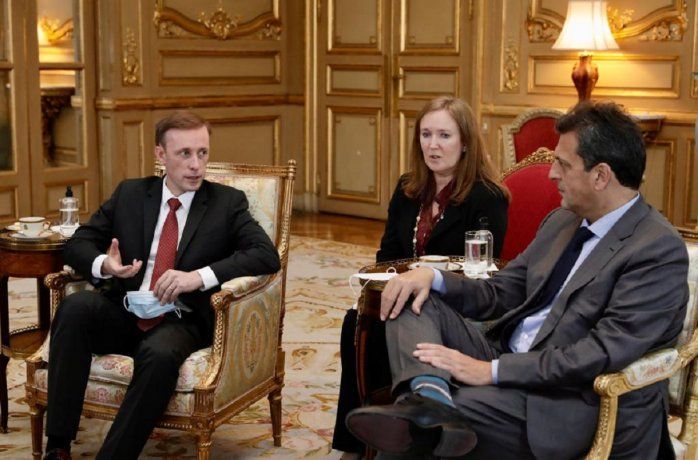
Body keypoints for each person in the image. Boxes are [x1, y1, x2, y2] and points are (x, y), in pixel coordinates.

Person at [345, 100, 689, 459]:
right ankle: (430, 396)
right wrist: (433, 277)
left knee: (419, 432)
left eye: (562, 164)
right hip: (506, 355)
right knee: (412, 295)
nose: (551, 174)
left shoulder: (655, 250)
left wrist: (491, 371)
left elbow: (599, 353)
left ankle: (429, 412)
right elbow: (500, 291)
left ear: (601, 176)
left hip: (566, 402)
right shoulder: (562, 221)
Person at [42, 111, 280, 460]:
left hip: (179, 319)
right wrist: (105, 265)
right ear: (161, 154)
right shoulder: (131, 194)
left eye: (202, 153)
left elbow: (266, 255)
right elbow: (78, 243)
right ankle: (58, 447)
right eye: (185, 153)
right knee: (75, 308)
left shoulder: (226, 203)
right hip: (124, 309)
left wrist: (198, 277)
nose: (196, 165)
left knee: (160, 355)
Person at [332, 96, 510, 456]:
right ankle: (357, 441)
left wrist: (426, 278)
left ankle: (414, 414)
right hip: (401, 291)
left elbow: (482, 273)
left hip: (454, 307)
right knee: (354, 322)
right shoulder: (407, 188)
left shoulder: (487, 196)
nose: (433, 145)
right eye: (426, 135)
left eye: (444, 135)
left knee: (405, 309)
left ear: (465, 143)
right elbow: (387, 255)